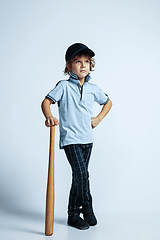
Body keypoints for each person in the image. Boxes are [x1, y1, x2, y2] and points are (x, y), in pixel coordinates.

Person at [41, 43, 112, 230]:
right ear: (68, 66)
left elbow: (108, 102)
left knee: (78, 177)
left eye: (87, 61)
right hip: (71, 139)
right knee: (82, 174)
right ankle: (87, 206)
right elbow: (46, 102)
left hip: (88, 139)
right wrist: (49, 115)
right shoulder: (63, 86)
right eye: (77, 61)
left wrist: (98, 118)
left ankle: (73, 215)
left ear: (91, 65)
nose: (83, 65)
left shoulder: (93, 88)